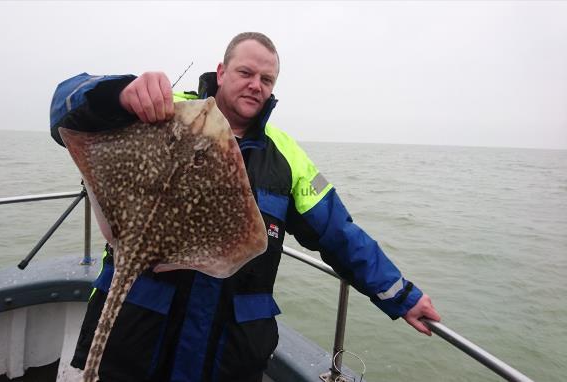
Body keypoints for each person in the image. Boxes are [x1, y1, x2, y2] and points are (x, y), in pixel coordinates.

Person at [50, 32, 441, 382]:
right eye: (245, 72)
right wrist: (118, 93)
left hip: (228, 356)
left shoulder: (285, 155)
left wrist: (400, 295)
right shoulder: (160, 110)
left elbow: (338, 233)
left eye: (266, 79)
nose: (256, 85)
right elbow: (66, 110)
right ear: (221, 71)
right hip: (138, 334)